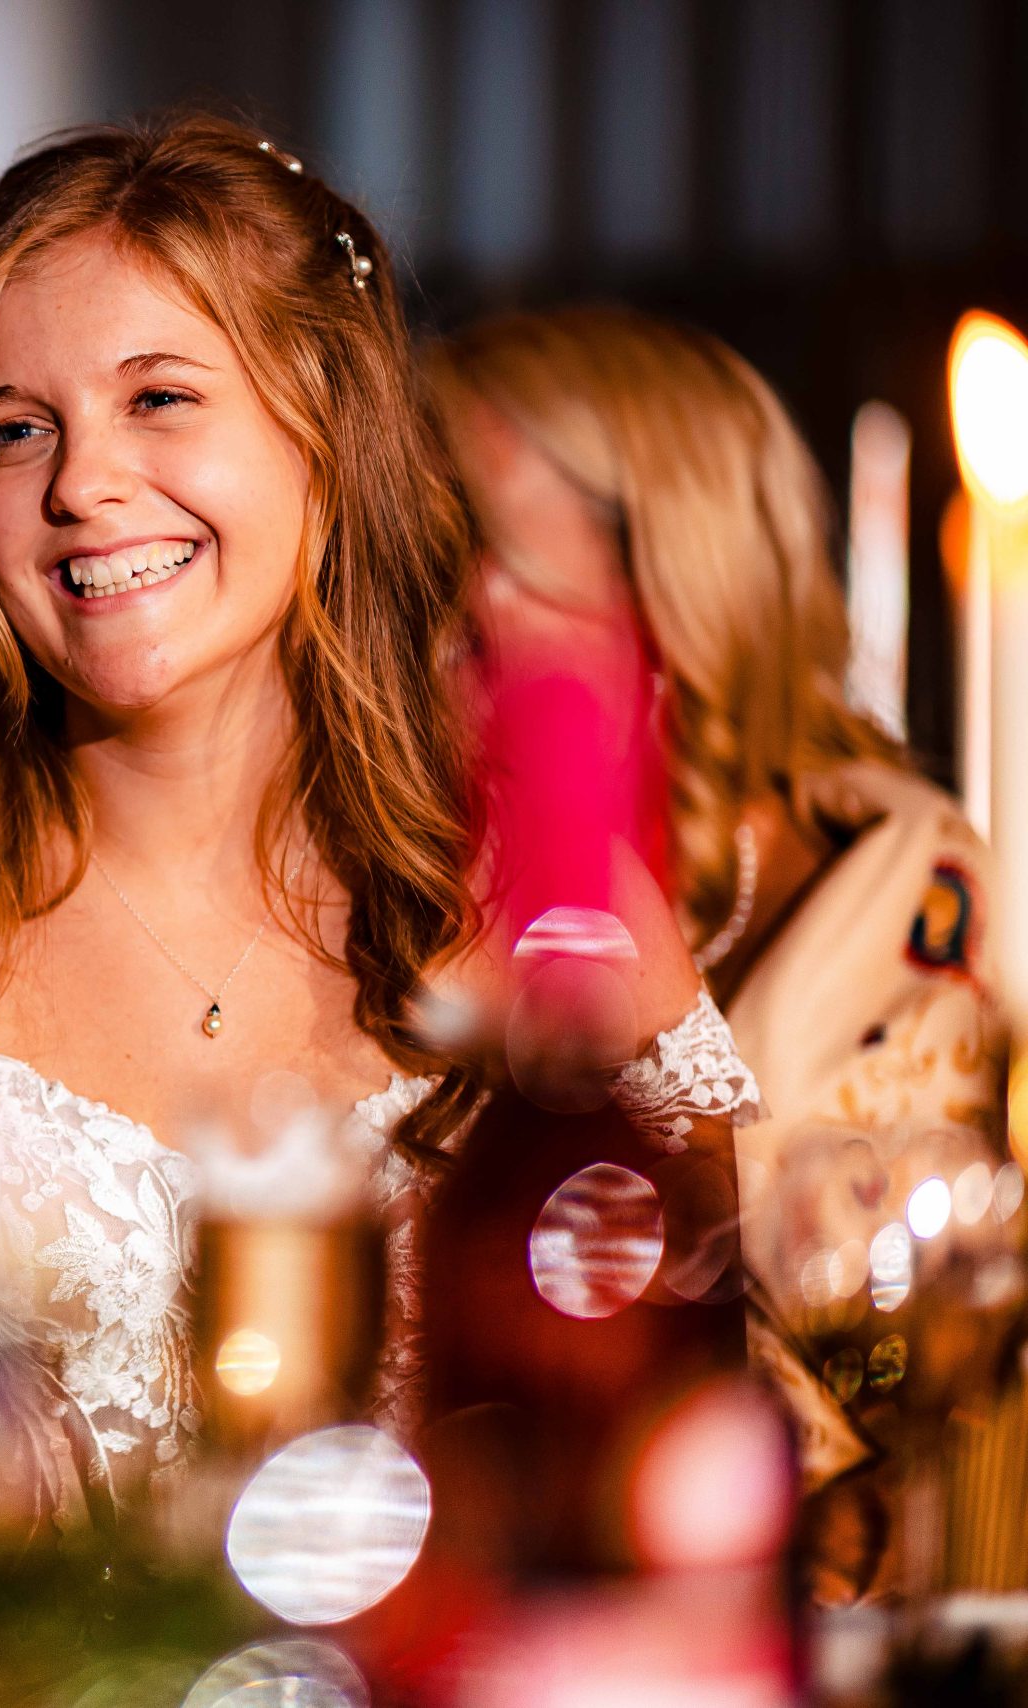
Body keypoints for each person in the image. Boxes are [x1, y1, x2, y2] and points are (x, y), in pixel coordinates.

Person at [0, 117, 757, 1526]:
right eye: (16, 430)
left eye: (158, 399)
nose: (81, 485)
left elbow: (714, 1453)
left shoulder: (558, 921)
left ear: (325, 426)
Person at [429, 306, 1012, 1592]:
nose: (448, 607)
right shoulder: (413, 865)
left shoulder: (916, 891)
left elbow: (906, 1381)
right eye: (418, 551)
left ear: (678, 555)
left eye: (494, 543)